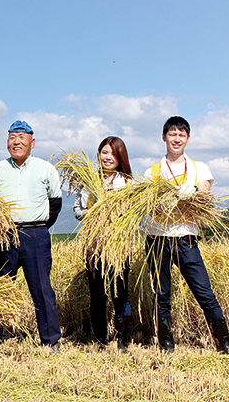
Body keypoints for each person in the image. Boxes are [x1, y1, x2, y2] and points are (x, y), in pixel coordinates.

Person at [144, 116, 229, 354]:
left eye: (182, 134)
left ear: (188, 139)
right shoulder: (151, 172)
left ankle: (223, 343)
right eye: (172, 134)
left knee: (204, 292)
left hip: (186, 239)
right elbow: (152, 208)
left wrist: (190, 191)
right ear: (164, 137)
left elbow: (204, 196)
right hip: (157, 239)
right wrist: (172, 203)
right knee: (162, 294)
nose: (177, 138)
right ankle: (166, 343)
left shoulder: (198, 168)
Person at [0, 120, 63, 352]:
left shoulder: (46, 169)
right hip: (5, 235)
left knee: (41, 288)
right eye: (12, 137)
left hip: (35, 234)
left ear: (32, 142)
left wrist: (38, 227)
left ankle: (51, 341)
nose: (16, 142)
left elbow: (56, 203)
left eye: (22, 137)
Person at [73, 136, 132, 351]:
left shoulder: (127, 183)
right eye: (104, 152)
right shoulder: (89, 181)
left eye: (113, 154)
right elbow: (77, 210)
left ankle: (123, 339)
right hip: (94, 246)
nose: (108, 157)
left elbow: (133, 213)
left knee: (120, 293)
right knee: (97, 294)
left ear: (120, 157)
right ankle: (99, 338)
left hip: (119, 246)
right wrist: (92, 211)